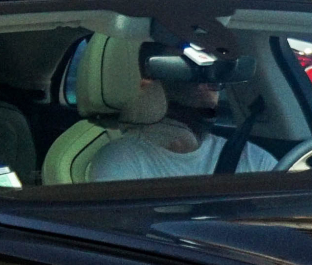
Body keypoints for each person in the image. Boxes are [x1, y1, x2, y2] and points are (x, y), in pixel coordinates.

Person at [88, 53, 281, 182]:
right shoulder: (121, 159)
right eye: (188, 72)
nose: (205, 85)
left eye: (212, 78)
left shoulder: (255, 161)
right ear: (151, 84)